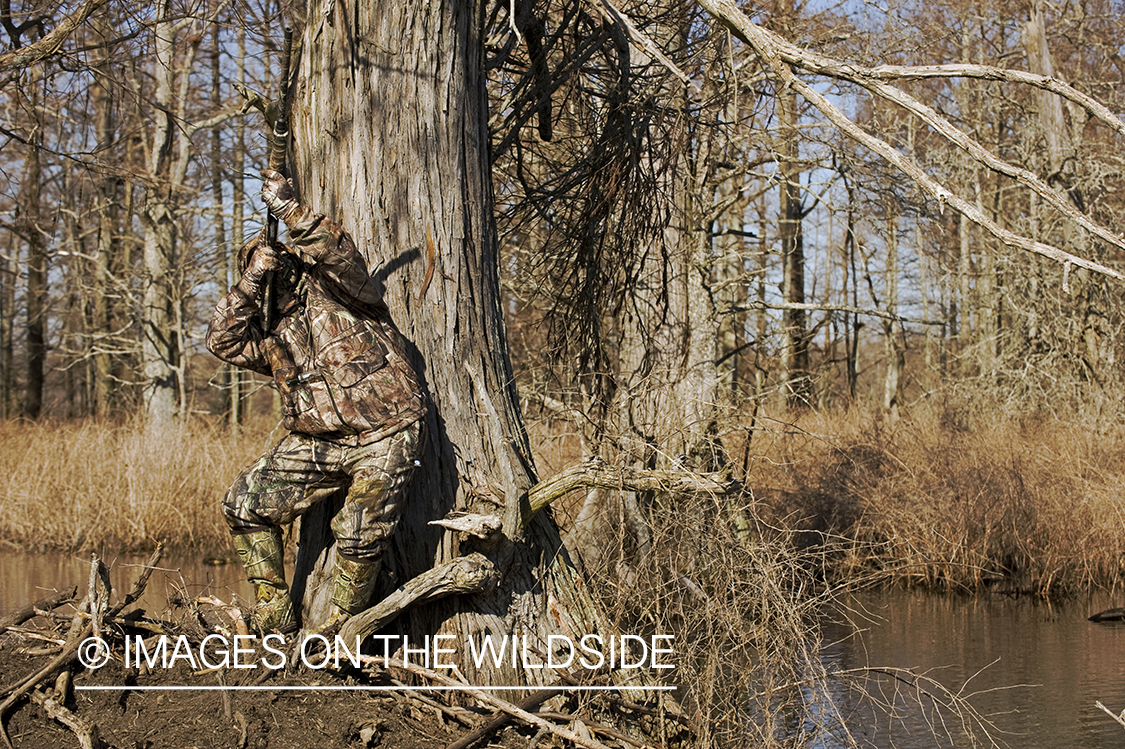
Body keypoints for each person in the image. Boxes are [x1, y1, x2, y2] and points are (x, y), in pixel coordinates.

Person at [207, 169, 426, 634]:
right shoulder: (270, 336)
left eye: (277, 265)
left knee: (359, 532)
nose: (275, 276)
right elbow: (221, 341)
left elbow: (339, 253)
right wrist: (250, 282)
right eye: (263, 270)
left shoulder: (341, 292)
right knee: (243, 504)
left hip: (386, 432)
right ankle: (275, 623)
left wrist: (289, 210)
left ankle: (338, 634)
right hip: (319, 443)